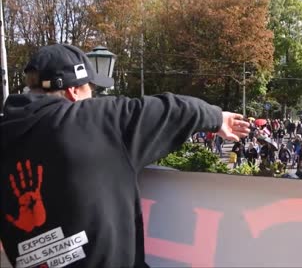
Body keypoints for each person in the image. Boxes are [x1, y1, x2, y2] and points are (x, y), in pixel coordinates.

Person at [0, 44, 250, 268]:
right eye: (91, 88)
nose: (94, 96)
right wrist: (218, 118)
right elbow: (174, 110)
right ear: (74, 91)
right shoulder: (97, 121)